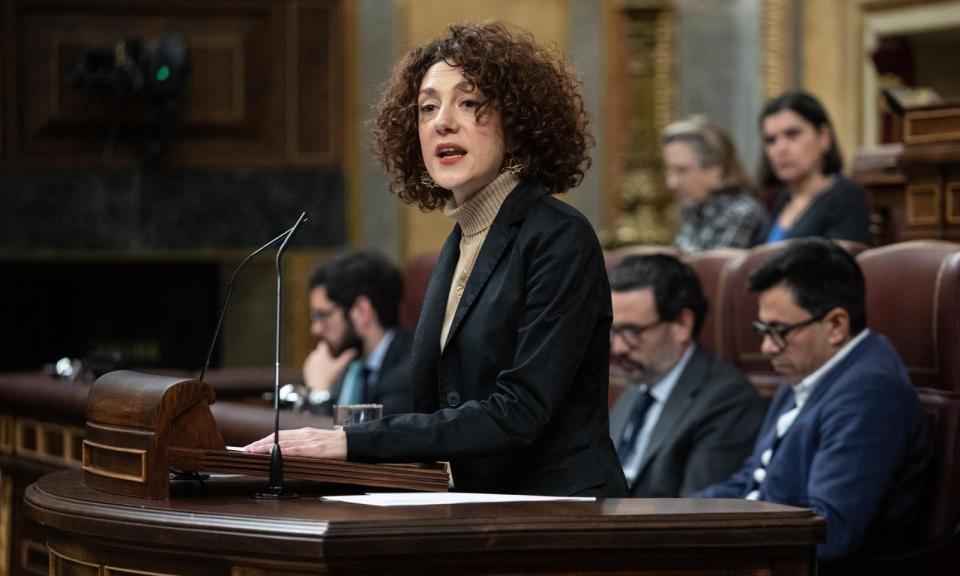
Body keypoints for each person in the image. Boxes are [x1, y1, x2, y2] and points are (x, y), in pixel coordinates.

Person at [246, 22, 628, 497]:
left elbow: (521, 410)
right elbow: (439, 407)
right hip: (474, 505)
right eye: (428, 107)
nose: (443, 121)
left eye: (470, 103)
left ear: (520, 120)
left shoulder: (558, 235)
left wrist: (351, 441)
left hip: (560, 513)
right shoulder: (461, 240)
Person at [693, 238, 931, 563]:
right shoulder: (811, 368)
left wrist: (717, 545)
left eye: (779, 330)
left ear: (835, 325)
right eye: (763, 330)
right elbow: (751, 482)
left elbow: (830, 531)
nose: (767, 347)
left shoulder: (868, 392)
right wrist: (669, 519)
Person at [608, 254, 765, 496]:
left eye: (632, 332)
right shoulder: (636, 391)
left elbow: (698, 516)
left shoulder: (726, 401)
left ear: (682, 324)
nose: (618, 348)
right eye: (613, 332)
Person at [303, 250, 412, 416]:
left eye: (322, 315)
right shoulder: (349, 365)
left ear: (362, 310)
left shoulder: (407, 374)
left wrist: (320, 393)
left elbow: (362, 437)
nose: (315, 329)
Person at [759, 91, 871, 245]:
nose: (780, 149)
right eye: (771, 140)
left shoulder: (846, 197)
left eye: (792, 134)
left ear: (824, 137)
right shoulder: (777, 201)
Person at [662, 115, 770, 252]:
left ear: (716, 170)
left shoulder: (741, 212)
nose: (671, 183)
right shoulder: (695, 208)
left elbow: (707, 271)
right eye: (669, 170)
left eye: (681, 171)